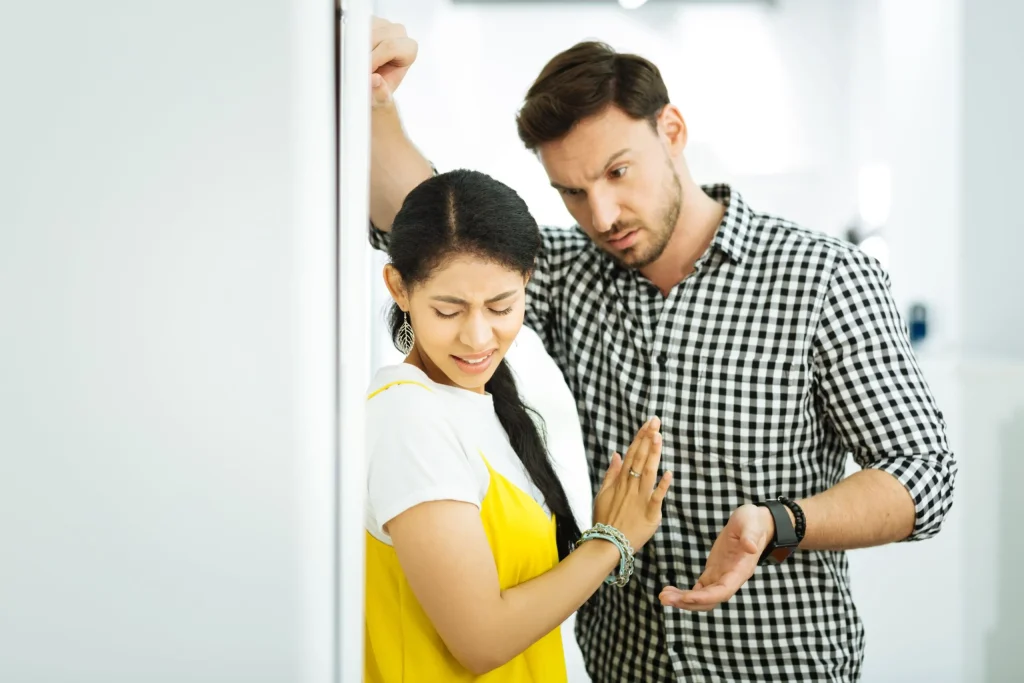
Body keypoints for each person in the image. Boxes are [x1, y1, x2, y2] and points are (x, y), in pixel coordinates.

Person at [364, 17, 959, 683]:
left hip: (782, 668)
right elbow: (433, 226)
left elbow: (923, 473)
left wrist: (782, 521)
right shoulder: (567, 271)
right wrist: (375, 102)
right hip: (624, 667)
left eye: (619, 172)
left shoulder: (822, 278)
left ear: (671, 131)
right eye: (573, 192)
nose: (604, 214)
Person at [363, 168, 673, 682]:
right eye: (448, 310)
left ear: (527, 281)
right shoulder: (407, 417)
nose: (478, 336)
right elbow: (482, 641)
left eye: (502, 306)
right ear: (399, 288)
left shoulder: (483, 405)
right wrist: (610, 542)